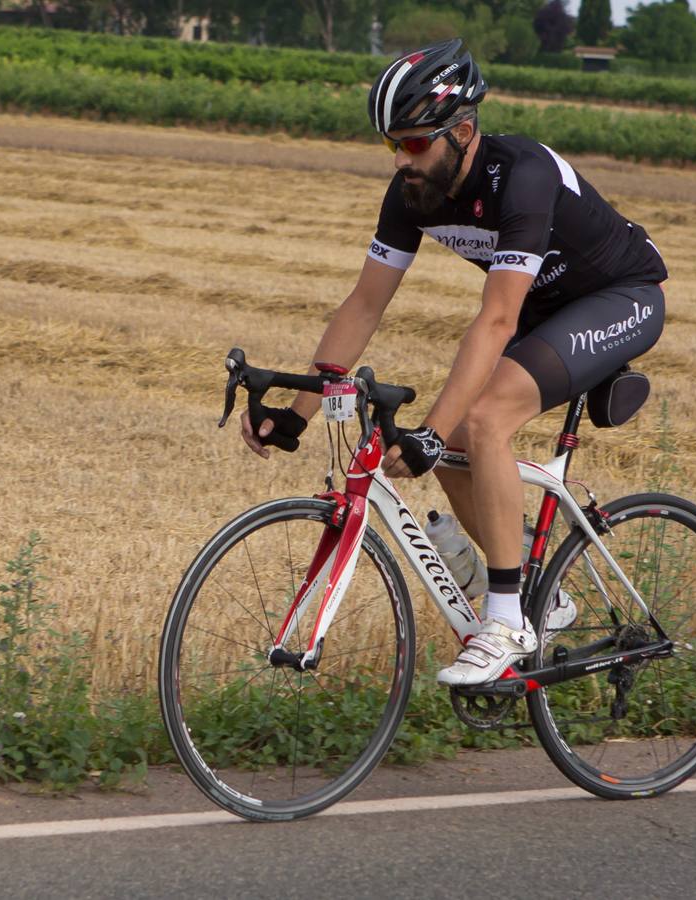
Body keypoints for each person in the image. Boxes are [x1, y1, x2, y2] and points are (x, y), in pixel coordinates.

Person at [238, 38, 667, 686]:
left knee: (479, 420)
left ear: (461, 131)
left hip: (618, 295)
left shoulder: (520, 175)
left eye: (412, 143)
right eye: (391, 144)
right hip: (545, 310)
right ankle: (535, 594)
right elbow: (363, 305)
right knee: (457, 436)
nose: (401, 160)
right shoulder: (411, 193)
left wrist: (431, 434)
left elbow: (495, 320)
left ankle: (505, 620)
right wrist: (297, 412)